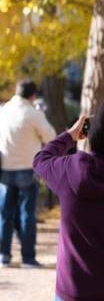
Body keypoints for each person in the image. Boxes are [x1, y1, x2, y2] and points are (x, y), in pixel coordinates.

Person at [33, 96, 104, 301]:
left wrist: (70, 135)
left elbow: (41, 160)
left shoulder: (69, 170)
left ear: (94, 131)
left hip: (73, 292)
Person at [0, 80, 55, 268]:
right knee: (27, 214)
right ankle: (28, 258)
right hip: (27, 168)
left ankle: (3, 255)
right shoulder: (33, 114)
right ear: (32, 96)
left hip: (5, 168)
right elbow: (50, 136)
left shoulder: (3, 110)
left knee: (5, 215)